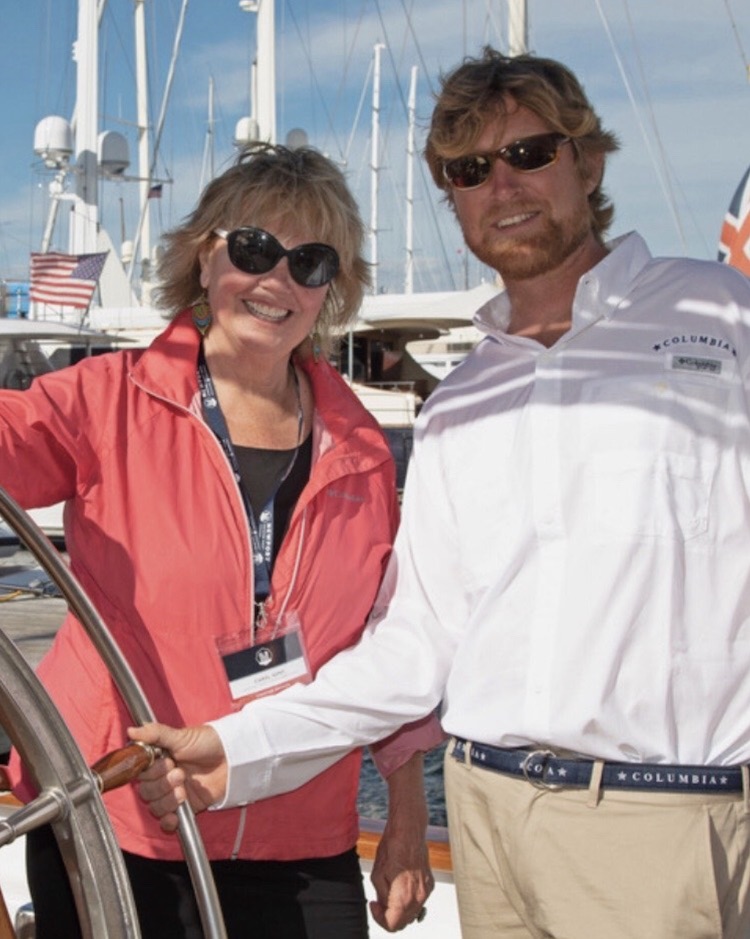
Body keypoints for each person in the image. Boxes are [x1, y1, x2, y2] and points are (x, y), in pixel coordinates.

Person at [133, 49, 750, 938]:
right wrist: (236, 746)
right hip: (489, 826)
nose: (503, 184)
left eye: (530, 154)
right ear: (451, 195)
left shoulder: (720, 320)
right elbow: (414, 647)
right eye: (469, 170)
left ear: (588, 160)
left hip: (663, 823)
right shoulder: (460, 402)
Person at [1, 142, 442, 938]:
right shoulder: (107, 403)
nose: (277, 279)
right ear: (204, 259)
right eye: (253, 248)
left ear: (329, 292)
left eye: (309, 261)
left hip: (302, 828)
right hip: (121, 814)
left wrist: (405, 816)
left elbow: (385, 644)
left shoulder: (364, 451)